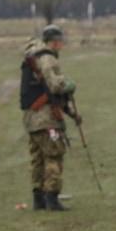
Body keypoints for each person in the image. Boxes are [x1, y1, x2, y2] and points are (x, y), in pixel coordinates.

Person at [21, 24, 78, 211]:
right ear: (55, 42)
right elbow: (54, 87)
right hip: (46, 118)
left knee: (37, 159)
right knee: (54, 156)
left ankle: (38, 199)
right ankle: (52, 198)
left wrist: (72, 114)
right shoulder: (47, 58)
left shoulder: (33, 57)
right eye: (60, 41)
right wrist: (67, 84)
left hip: (31, 119)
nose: (62, 44)